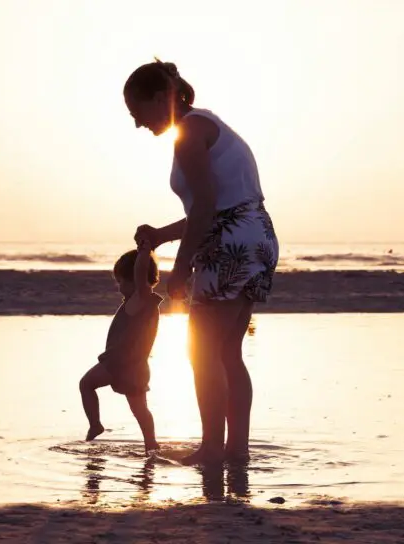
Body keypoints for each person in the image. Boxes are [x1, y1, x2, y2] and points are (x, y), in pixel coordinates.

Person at [125, 58, 279, 466]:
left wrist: (180, 269)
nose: (137, 123)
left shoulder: (190, 133)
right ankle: (235, 450)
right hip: (255, 236)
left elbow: (207, 207)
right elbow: (218, 206)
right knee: (228, 353)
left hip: (229, 244)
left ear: (161, 97)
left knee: (203, 351)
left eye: (137, 111)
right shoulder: (207, 124)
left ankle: (213, 449)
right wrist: (162, 234)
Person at [78, 243, 163, 454]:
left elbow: (140, 272)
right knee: (140, 411)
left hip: (119, 362)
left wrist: (144, 250)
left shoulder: (141, 299)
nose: (119, 287)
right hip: (137, 367)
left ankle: (95, 424)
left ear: (136, 279)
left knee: (86, 384)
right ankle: (151, 444)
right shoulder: (142, 303)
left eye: (121, 281)